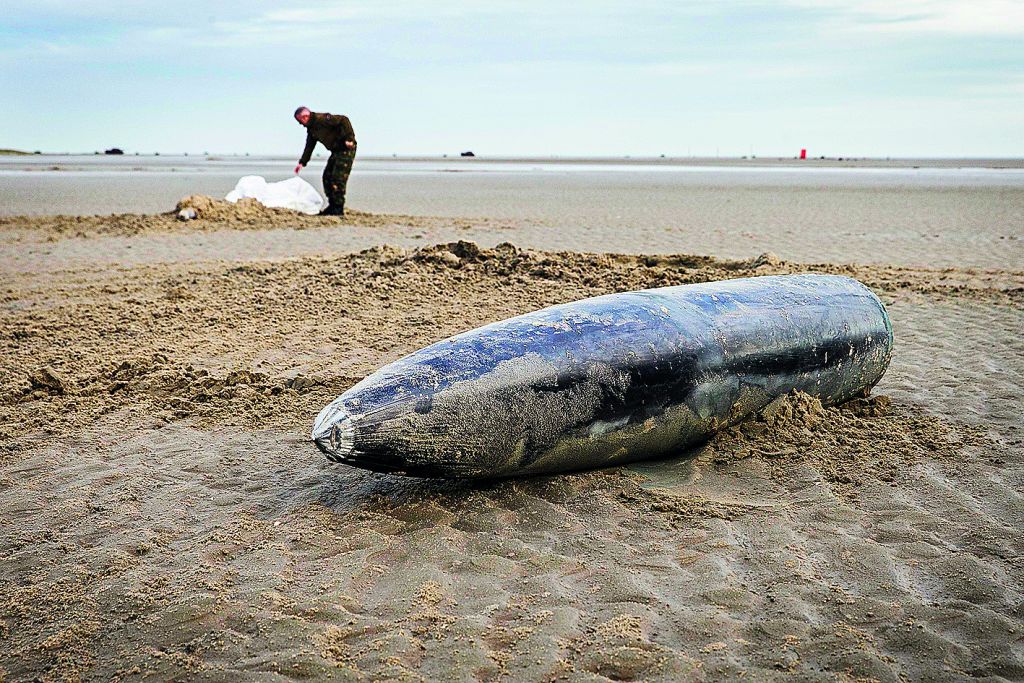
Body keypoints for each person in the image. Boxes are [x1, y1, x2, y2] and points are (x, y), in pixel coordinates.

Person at [293, 106, 357, 216]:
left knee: (337, 178)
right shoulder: (312, 130)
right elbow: (309, 147)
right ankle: (332, 205)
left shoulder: (322, 119)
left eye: (300, 121)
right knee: (327, 177)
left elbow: (344, 119)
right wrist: (302, 162)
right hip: (336, 151)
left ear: (305, 117)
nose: (300, 124)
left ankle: (338, 208)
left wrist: (349, 138)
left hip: (346, 149)